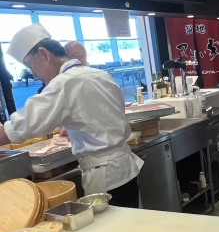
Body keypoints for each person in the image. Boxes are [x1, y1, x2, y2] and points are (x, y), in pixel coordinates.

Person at [0, 23, 143, 207]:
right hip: (125, 168)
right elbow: (106, 113)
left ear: (44, 54)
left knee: (114, 224)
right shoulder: (98, 74)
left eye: (30, 65)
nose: (34, 74)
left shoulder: (63, 84)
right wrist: (77, 124)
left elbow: (22, 125)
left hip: (105, 175)